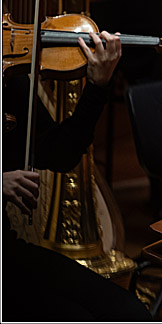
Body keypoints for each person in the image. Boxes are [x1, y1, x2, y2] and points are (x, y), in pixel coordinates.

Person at [3, 30, 153, 321]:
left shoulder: (9, 77)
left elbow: (59, 155)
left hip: (6, 253)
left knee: (128, 313)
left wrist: (97, 87)